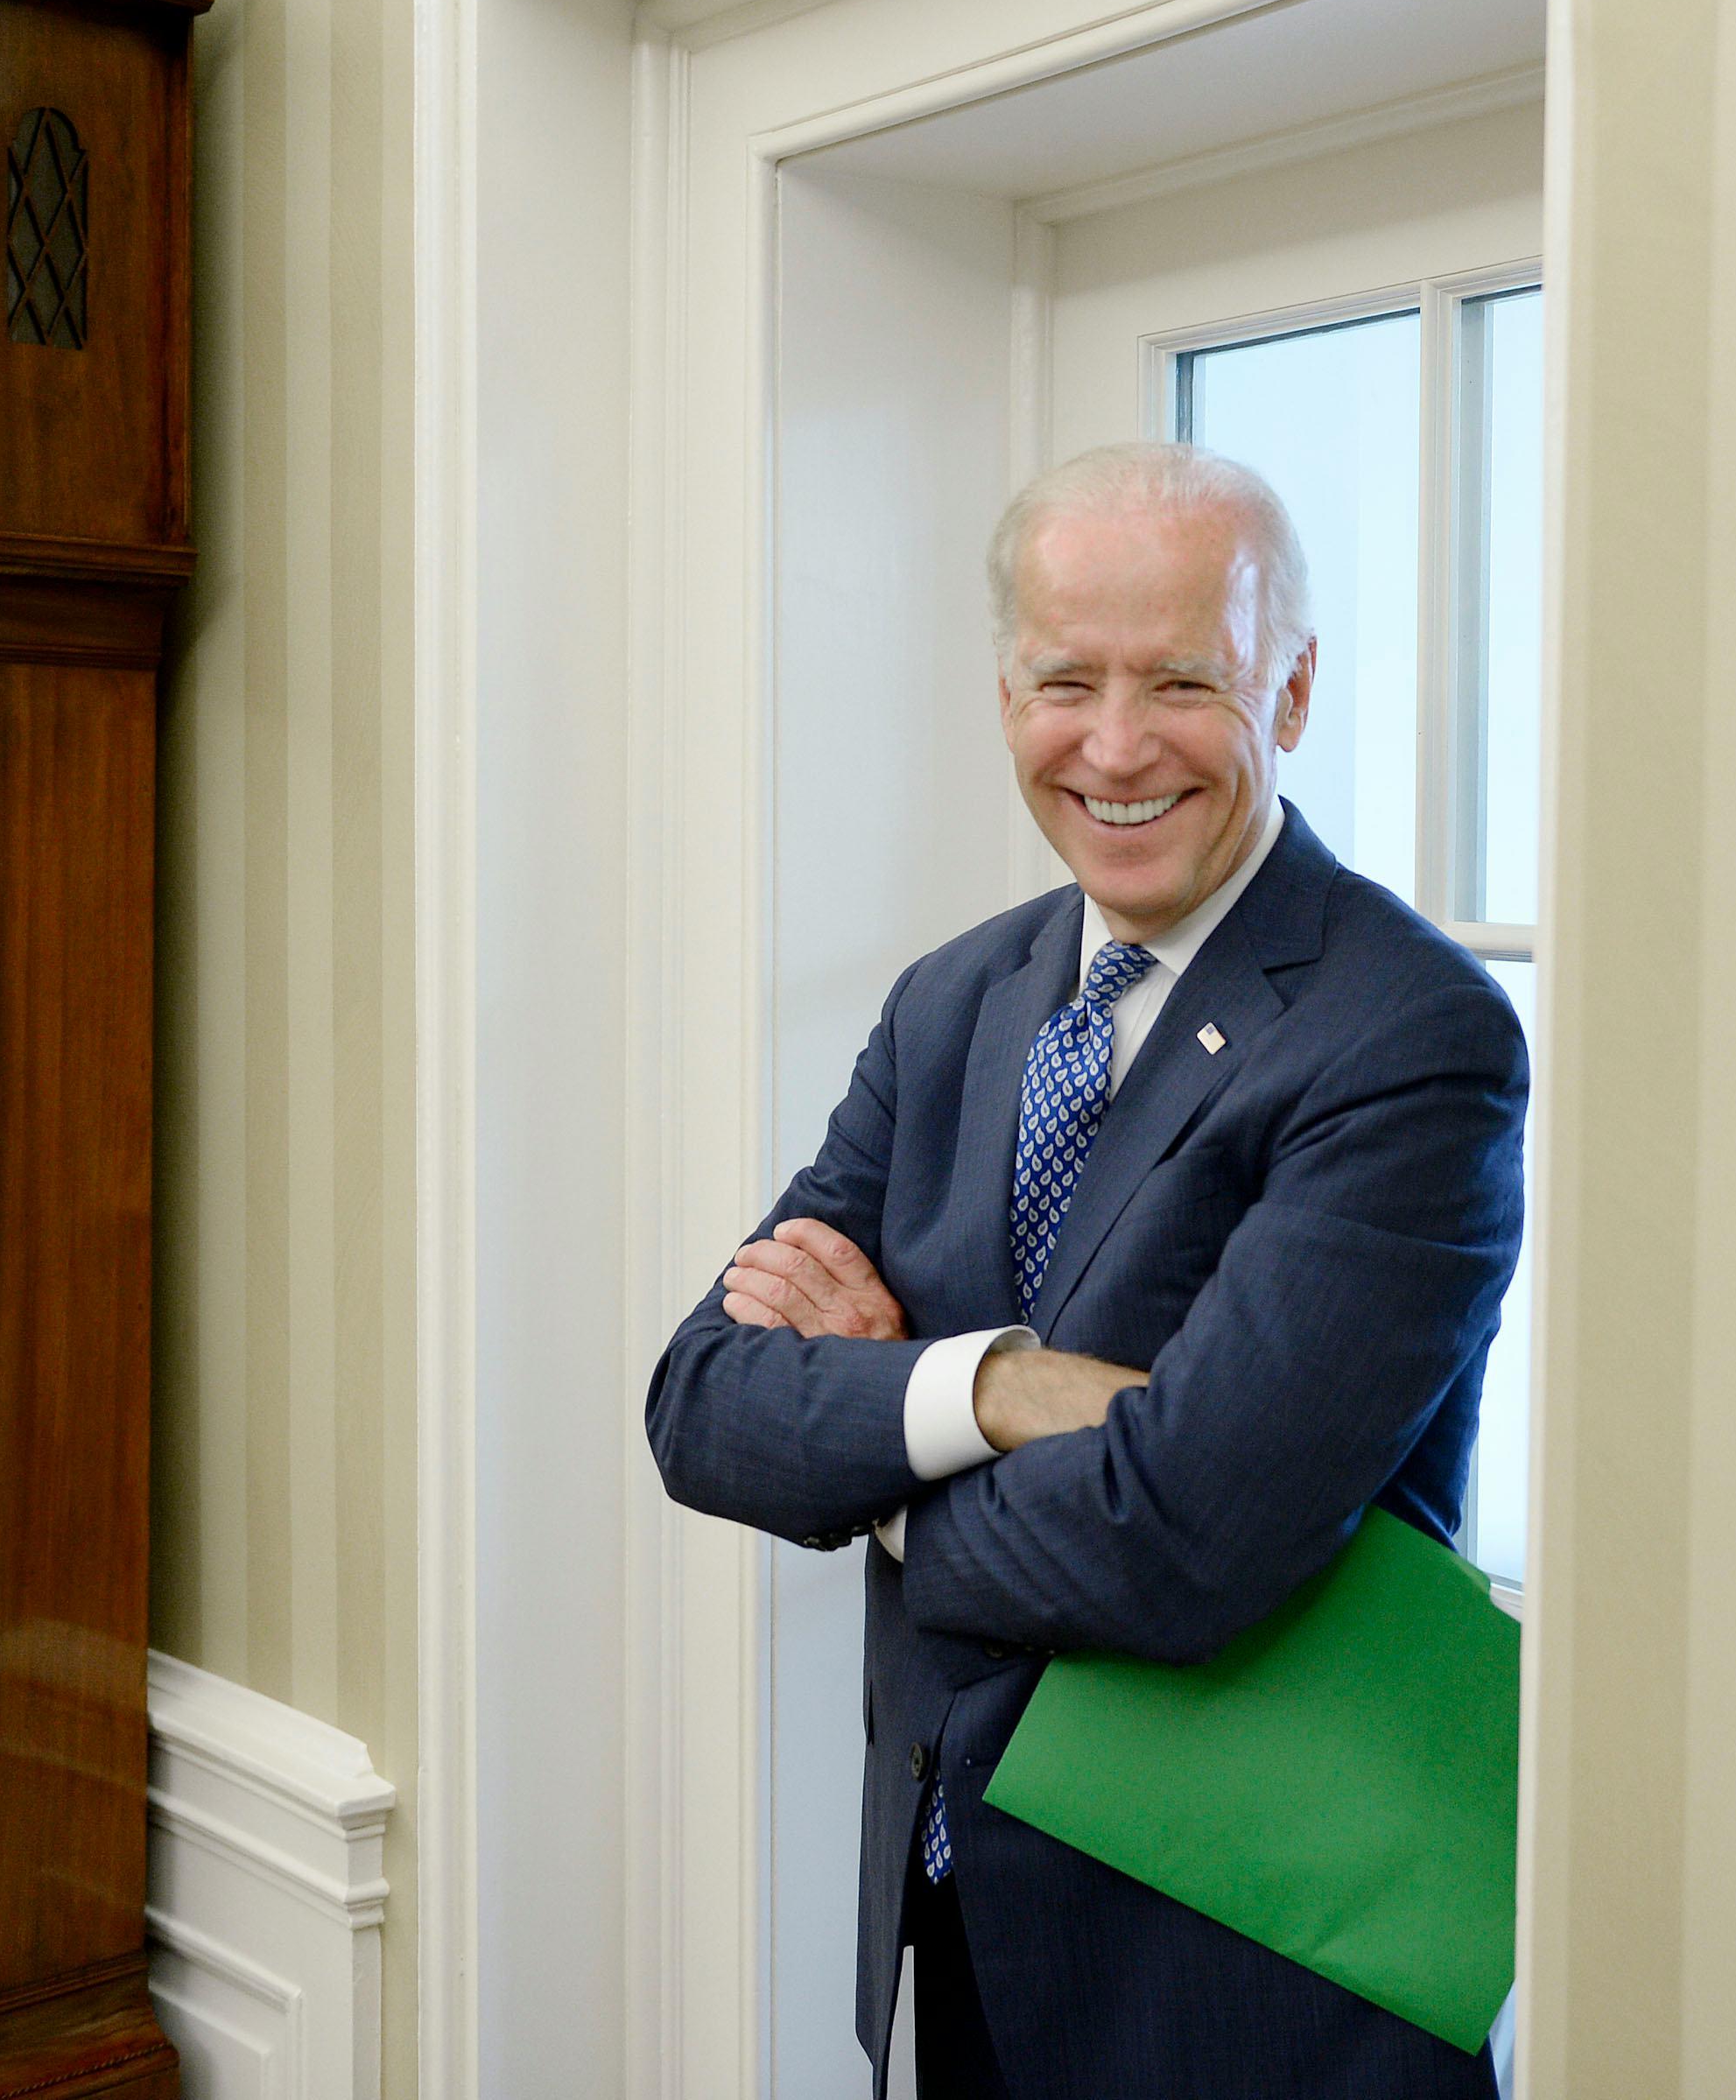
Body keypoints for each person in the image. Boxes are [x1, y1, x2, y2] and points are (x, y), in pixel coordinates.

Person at [644, 441, 1528, 2098]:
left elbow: (1184, 1533)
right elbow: (701, 1404)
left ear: (1294, 688)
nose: (1116, 747)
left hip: (1255, 1970)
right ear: (1006, 696)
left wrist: (884, 1456)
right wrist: (998, 1387)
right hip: (971, 1924)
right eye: (1067, 682)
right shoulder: (955, 999)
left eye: (1184, 680)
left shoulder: (1410, 1033)